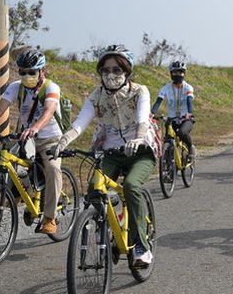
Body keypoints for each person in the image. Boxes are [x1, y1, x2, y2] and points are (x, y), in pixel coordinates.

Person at [53, 44, 157, 266]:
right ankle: (106, 233)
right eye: (106, 70)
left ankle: (141, 246)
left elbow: (142, 118)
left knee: (131, 186)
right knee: (94, 189)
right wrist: (63, 141)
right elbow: (81, 123)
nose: (111, 75)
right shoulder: (97, 96)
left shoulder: (140, 91)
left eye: (117, 70)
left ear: (127, 72)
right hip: (109, 152)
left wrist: (138, 138)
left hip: (139, 152)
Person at [0, 48, 64, 235]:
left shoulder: (51, 87)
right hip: (25, 137)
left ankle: (50, 217)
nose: (27, 76)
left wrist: (35, 128)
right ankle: (16, 191)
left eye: (32, 72)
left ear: (42, 71)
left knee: (53, 169)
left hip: (49, 138)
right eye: (23, 72)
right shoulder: (16, 87)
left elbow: (49, 111)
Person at [151, 60, 196, 162]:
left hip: (186, 118)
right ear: (171, 74)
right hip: (171, 118)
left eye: (180, 72)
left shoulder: (188, 87)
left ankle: (191, 148)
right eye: (175, 72)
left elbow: (189, 101)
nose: (178, 75)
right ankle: (168, 162)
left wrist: (189, 113)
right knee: (167, 138)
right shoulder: (166, 88)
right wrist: (152, 113)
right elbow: (158, 101)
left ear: (184, 74)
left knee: (182, 132)